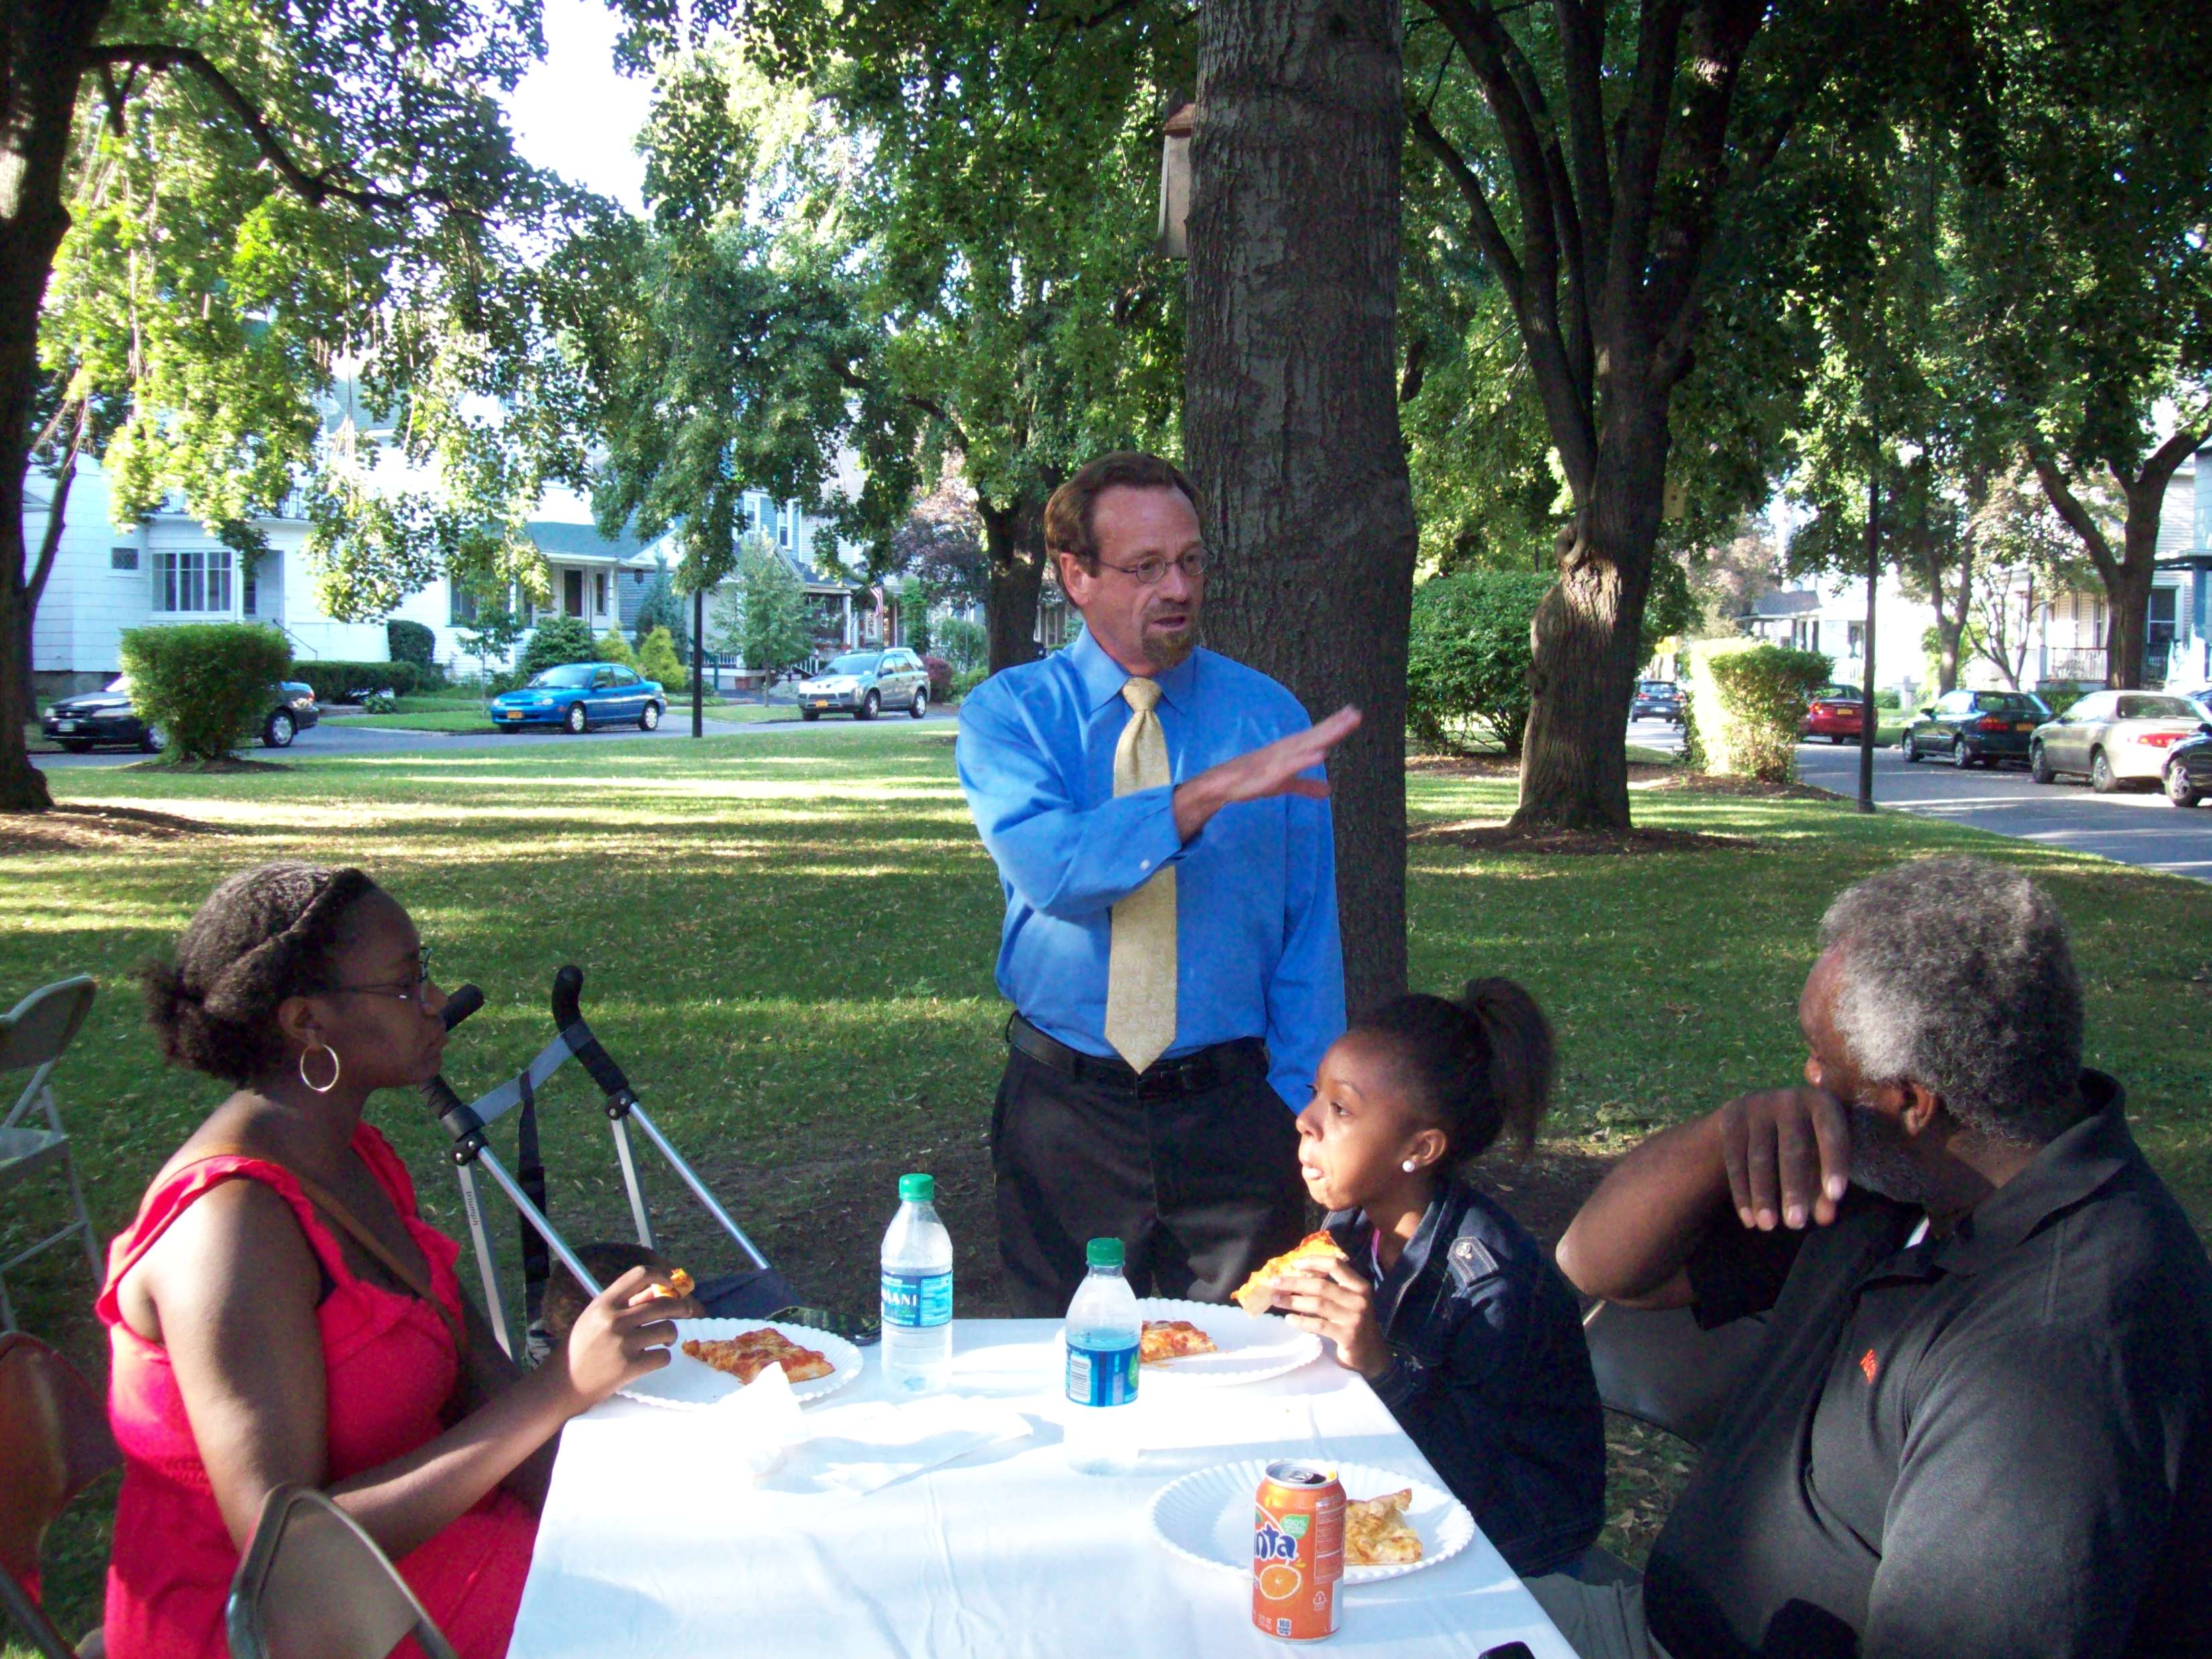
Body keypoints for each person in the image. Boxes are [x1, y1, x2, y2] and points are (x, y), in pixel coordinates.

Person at [1548, 856, 2212, 1659]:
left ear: (1910, 1098)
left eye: (1819, 1057)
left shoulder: (2056, 1346)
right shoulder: (1894, 1179)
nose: (1808, 1076)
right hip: (1647, 1627)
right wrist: (1727, 1130)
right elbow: (1600, 1265)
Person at [98, 861, 697, 1659]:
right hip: (287, 1627)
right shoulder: (229, 1228)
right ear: (307, 1022)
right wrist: (563, 1386)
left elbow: (471, 1367)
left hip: (421, 1551)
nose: (436, 1004)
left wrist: (630, 1519)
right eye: (406, 984)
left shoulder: (356, 1157)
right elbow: (287, 1553)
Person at [956, 450, 1361, 1315]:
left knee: (1237, 1381)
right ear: (1076, 575)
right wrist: (1204, 794)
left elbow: (1307, 934)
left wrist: (1299, 1107)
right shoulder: (1010, 716)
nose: (1176, 587)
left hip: (1232, 1117)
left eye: (1190, 560)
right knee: (1064, 1374)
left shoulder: (1267, 718)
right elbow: (1057, 872)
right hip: (1066, 1114)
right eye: (1144, 567)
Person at [1270, 979, 1605, 1580]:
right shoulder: (1349, 1224)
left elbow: (1463, 1469)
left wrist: (1380, 1366)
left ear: (1420, 1148)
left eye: (1340, 1109)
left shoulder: (1490, 1287)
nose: (1305, 1121)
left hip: (1517, 1548)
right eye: (1314, 1095)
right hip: (1406, 1505)